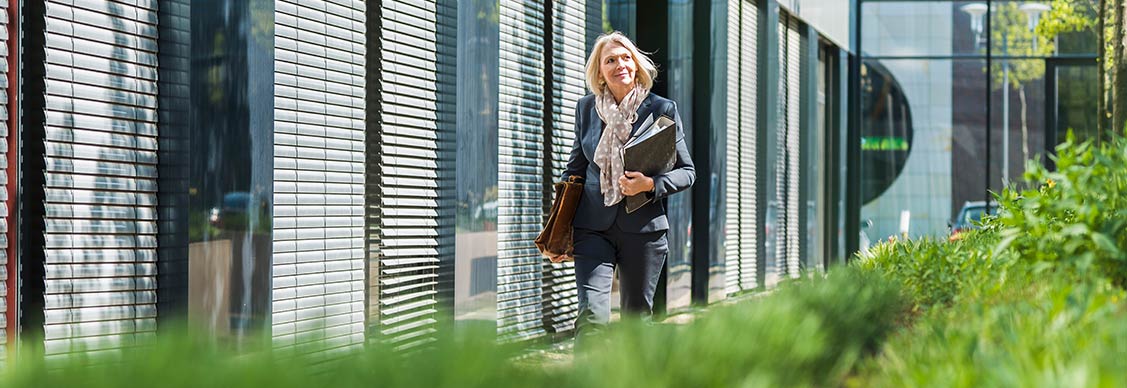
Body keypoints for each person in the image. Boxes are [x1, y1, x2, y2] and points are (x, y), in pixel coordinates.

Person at [552, 31, 695, 338]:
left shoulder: (661, 109)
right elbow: (574, 170)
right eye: (610, 60)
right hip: (593, 228)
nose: (620, 65)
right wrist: (559, 227)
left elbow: (687, 171)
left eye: (626, 57)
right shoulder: (586, 109)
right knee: (591, 317)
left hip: (644, 232)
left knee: (636, 323)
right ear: (600, 71)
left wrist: (649, 184)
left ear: (636, 64)